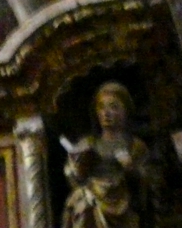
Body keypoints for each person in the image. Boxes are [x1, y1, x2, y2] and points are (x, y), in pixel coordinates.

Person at [61, 81, 156, 228]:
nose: (106, 113)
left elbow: (148, 185)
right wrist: (78, 165)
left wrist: (131, 169)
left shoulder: (135, 145)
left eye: (113, 107)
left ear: (125, 111)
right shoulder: (88, 143)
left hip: (123, 203)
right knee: (82, 201)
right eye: (101, 107)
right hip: (92, 202)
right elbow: (73, 177)